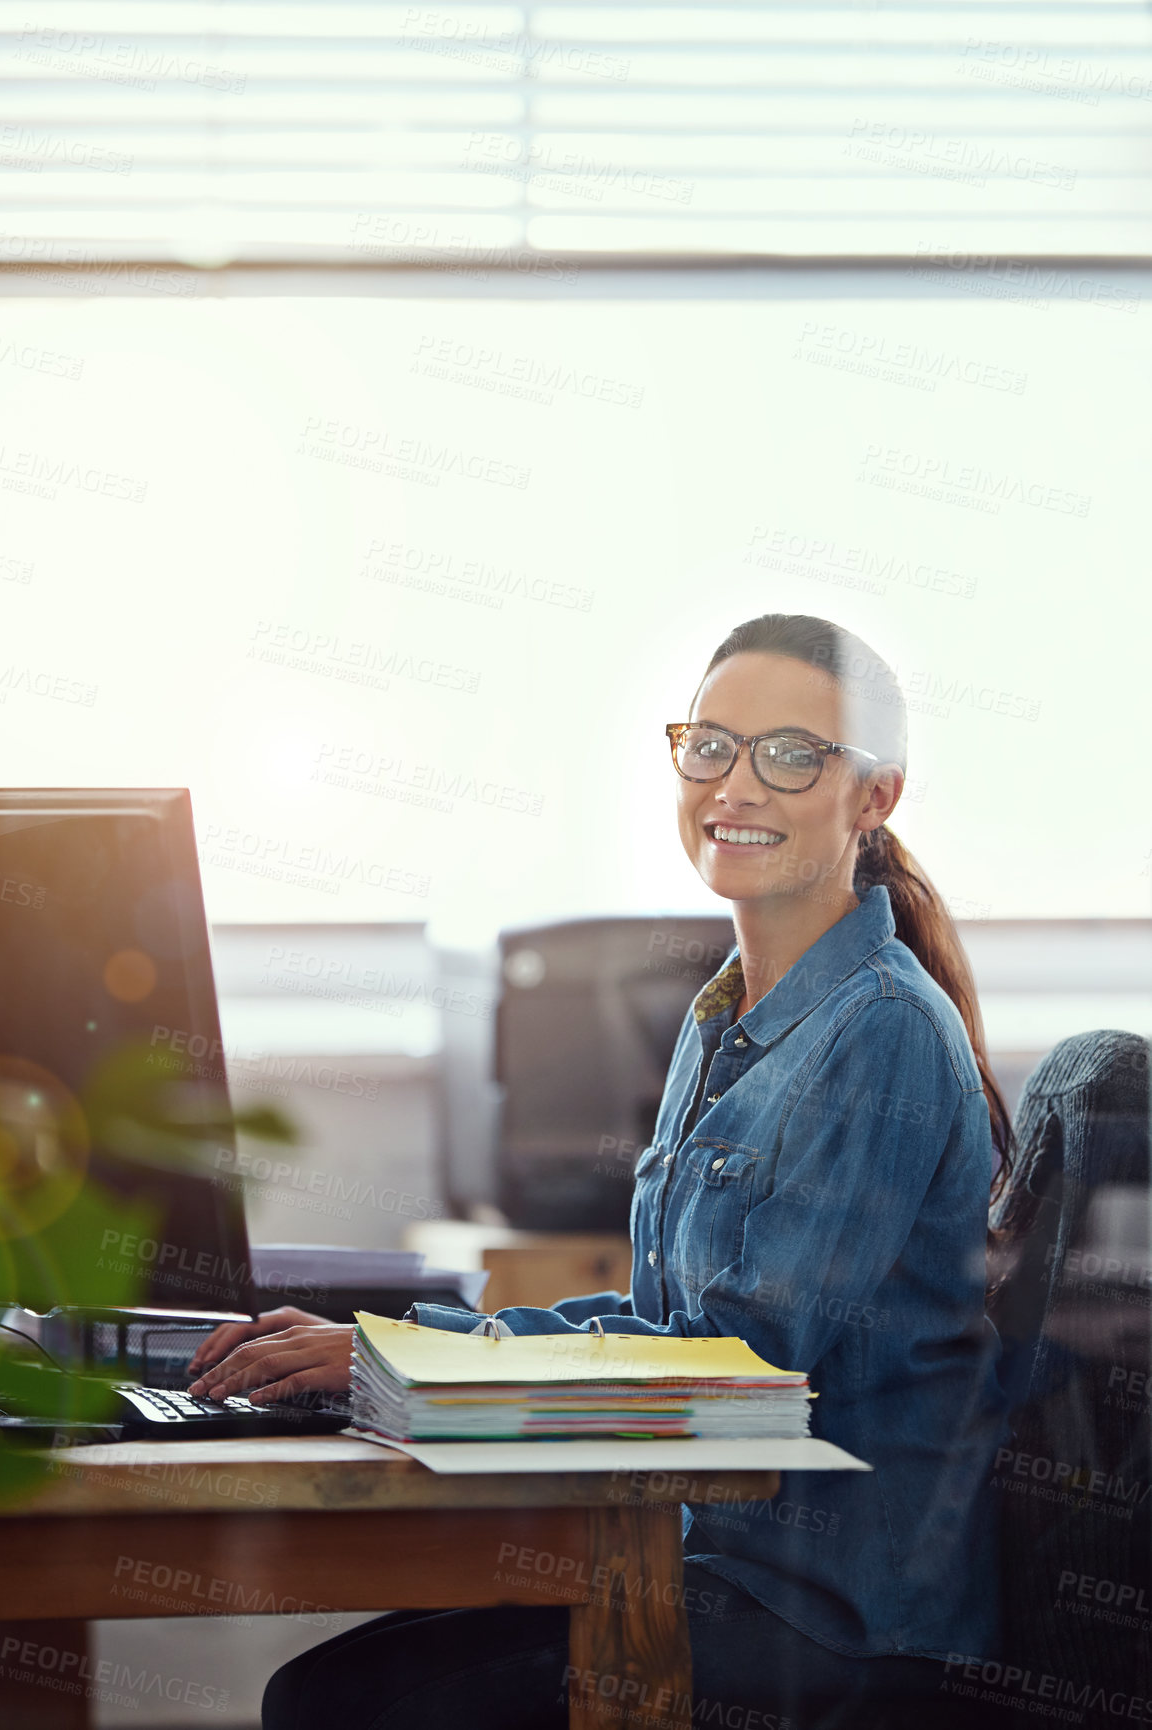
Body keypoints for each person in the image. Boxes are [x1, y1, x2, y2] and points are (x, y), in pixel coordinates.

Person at [188, 613, 1011, 1728]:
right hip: (707, 1560)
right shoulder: (725, 1011)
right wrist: (398, 1349)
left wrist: (401, 1360)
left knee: (346, 1705)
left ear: (874, 797)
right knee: (328, 1688)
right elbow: (660, 1316)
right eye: (710, 744)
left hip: (834, 1613)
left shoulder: (880, 1030)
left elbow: (734, 1372)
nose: (736, 783)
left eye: (790, 753)